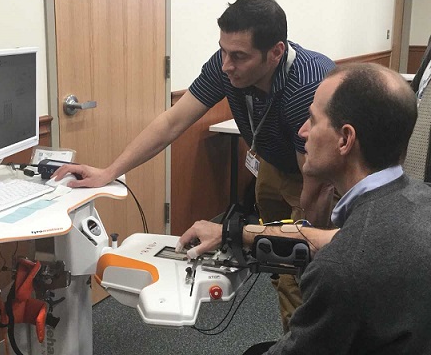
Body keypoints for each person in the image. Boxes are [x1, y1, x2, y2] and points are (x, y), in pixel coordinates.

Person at [52, 0, 336, 332]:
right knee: (272, 260)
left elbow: (316, 177)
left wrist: (315, 240)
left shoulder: (305, 84)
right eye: (224, 50)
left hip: (311, 172)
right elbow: (172, 122)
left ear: (276, 52)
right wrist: (110, 172)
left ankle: (306, 337)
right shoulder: (226, 65)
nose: (226, 64)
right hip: (271, 164)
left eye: (239, 56)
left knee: (301, 271)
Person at [178, 62, 431, 354]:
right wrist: (232, 232)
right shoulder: (418, 200)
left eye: (312, 119)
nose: (302, 131)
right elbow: (328, 239)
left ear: (345, 139)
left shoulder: (341, 269)